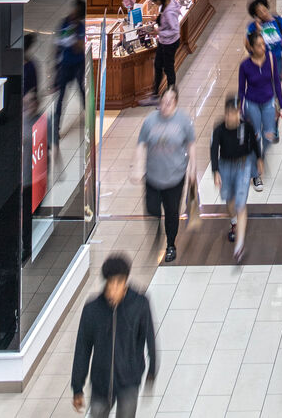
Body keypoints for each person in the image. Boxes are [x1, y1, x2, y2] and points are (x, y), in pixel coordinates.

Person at [71, 254, 157, 417]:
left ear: (125, 282)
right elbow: (83, 349)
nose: (113, 290)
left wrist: (152, 370)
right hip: (100, 383)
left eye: (118, 284)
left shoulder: (139, 304)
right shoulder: (92, 309)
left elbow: (150, 338)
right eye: (110, 284)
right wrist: (77, 387)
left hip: (129, 381)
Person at [136, 87, 195, 263]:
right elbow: (141, 144)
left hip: (175, 176)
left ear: (175, 103)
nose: (165, 105)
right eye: (163, 101)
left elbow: (191, 144)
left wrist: (193, 167)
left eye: (170, 102)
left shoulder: (184, 121)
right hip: (153, 176)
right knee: (152, 208)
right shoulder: (149, 121)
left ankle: (170, 244)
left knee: (171, 212)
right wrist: (136, 167)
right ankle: (157, 230)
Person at [210, 95, 264, 262]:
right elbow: (213, 150)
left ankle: (239, 247)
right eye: (228, 113)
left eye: (234, 113)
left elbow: (255, 144)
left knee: (241, 204)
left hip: (243, 165)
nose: (231, 117)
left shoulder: (245, 126)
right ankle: (233, 221)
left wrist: (259, 159)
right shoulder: (219, 129)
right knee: (230, 200)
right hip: (225, 165)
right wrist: (215, 171)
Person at [238, 30, 282, 181]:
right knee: (255, 136)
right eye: (258, 45)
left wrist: (281, 105)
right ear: (251, 48)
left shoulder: (270, 59)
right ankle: (255, 174)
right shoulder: (245, 66)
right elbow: (241, 89)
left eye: (263, 44)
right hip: (252, 104)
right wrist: (241, 110)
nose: (263, 48)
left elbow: (276, 82)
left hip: (268, 102)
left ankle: (261, 158)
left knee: (269, 136)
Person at [53, 0, 87, 140]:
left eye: (76, 12)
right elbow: (57, 44)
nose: (72, 13)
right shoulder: (64, 23)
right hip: (65, 66)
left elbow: (79, 48)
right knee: (60, 97)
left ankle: (90, 118)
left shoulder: (80, 27)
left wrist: (72, 34)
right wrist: (54, 65)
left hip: (78, 65)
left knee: (81, 91)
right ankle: (56, 129)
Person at [246, 0, 282, 78]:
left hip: (277, 60)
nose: (264, 13)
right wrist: (258, 30)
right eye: (260, 12)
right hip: (261, 62)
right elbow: (248, 46)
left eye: (264, 10)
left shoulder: (278, 21)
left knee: (275, 83)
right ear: (256, 15)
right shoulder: (252, 27)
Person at [148, 0, 180, 97]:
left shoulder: (169, 12)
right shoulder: (165, 2)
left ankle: (171, 95)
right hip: (163, 42)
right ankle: (155, 92)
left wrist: (159, 33)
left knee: (168, 68)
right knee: (158, 65)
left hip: (170, 43)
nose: (154, 4)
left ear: (157, 0)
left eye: (153, 2)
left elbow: (175, 30)